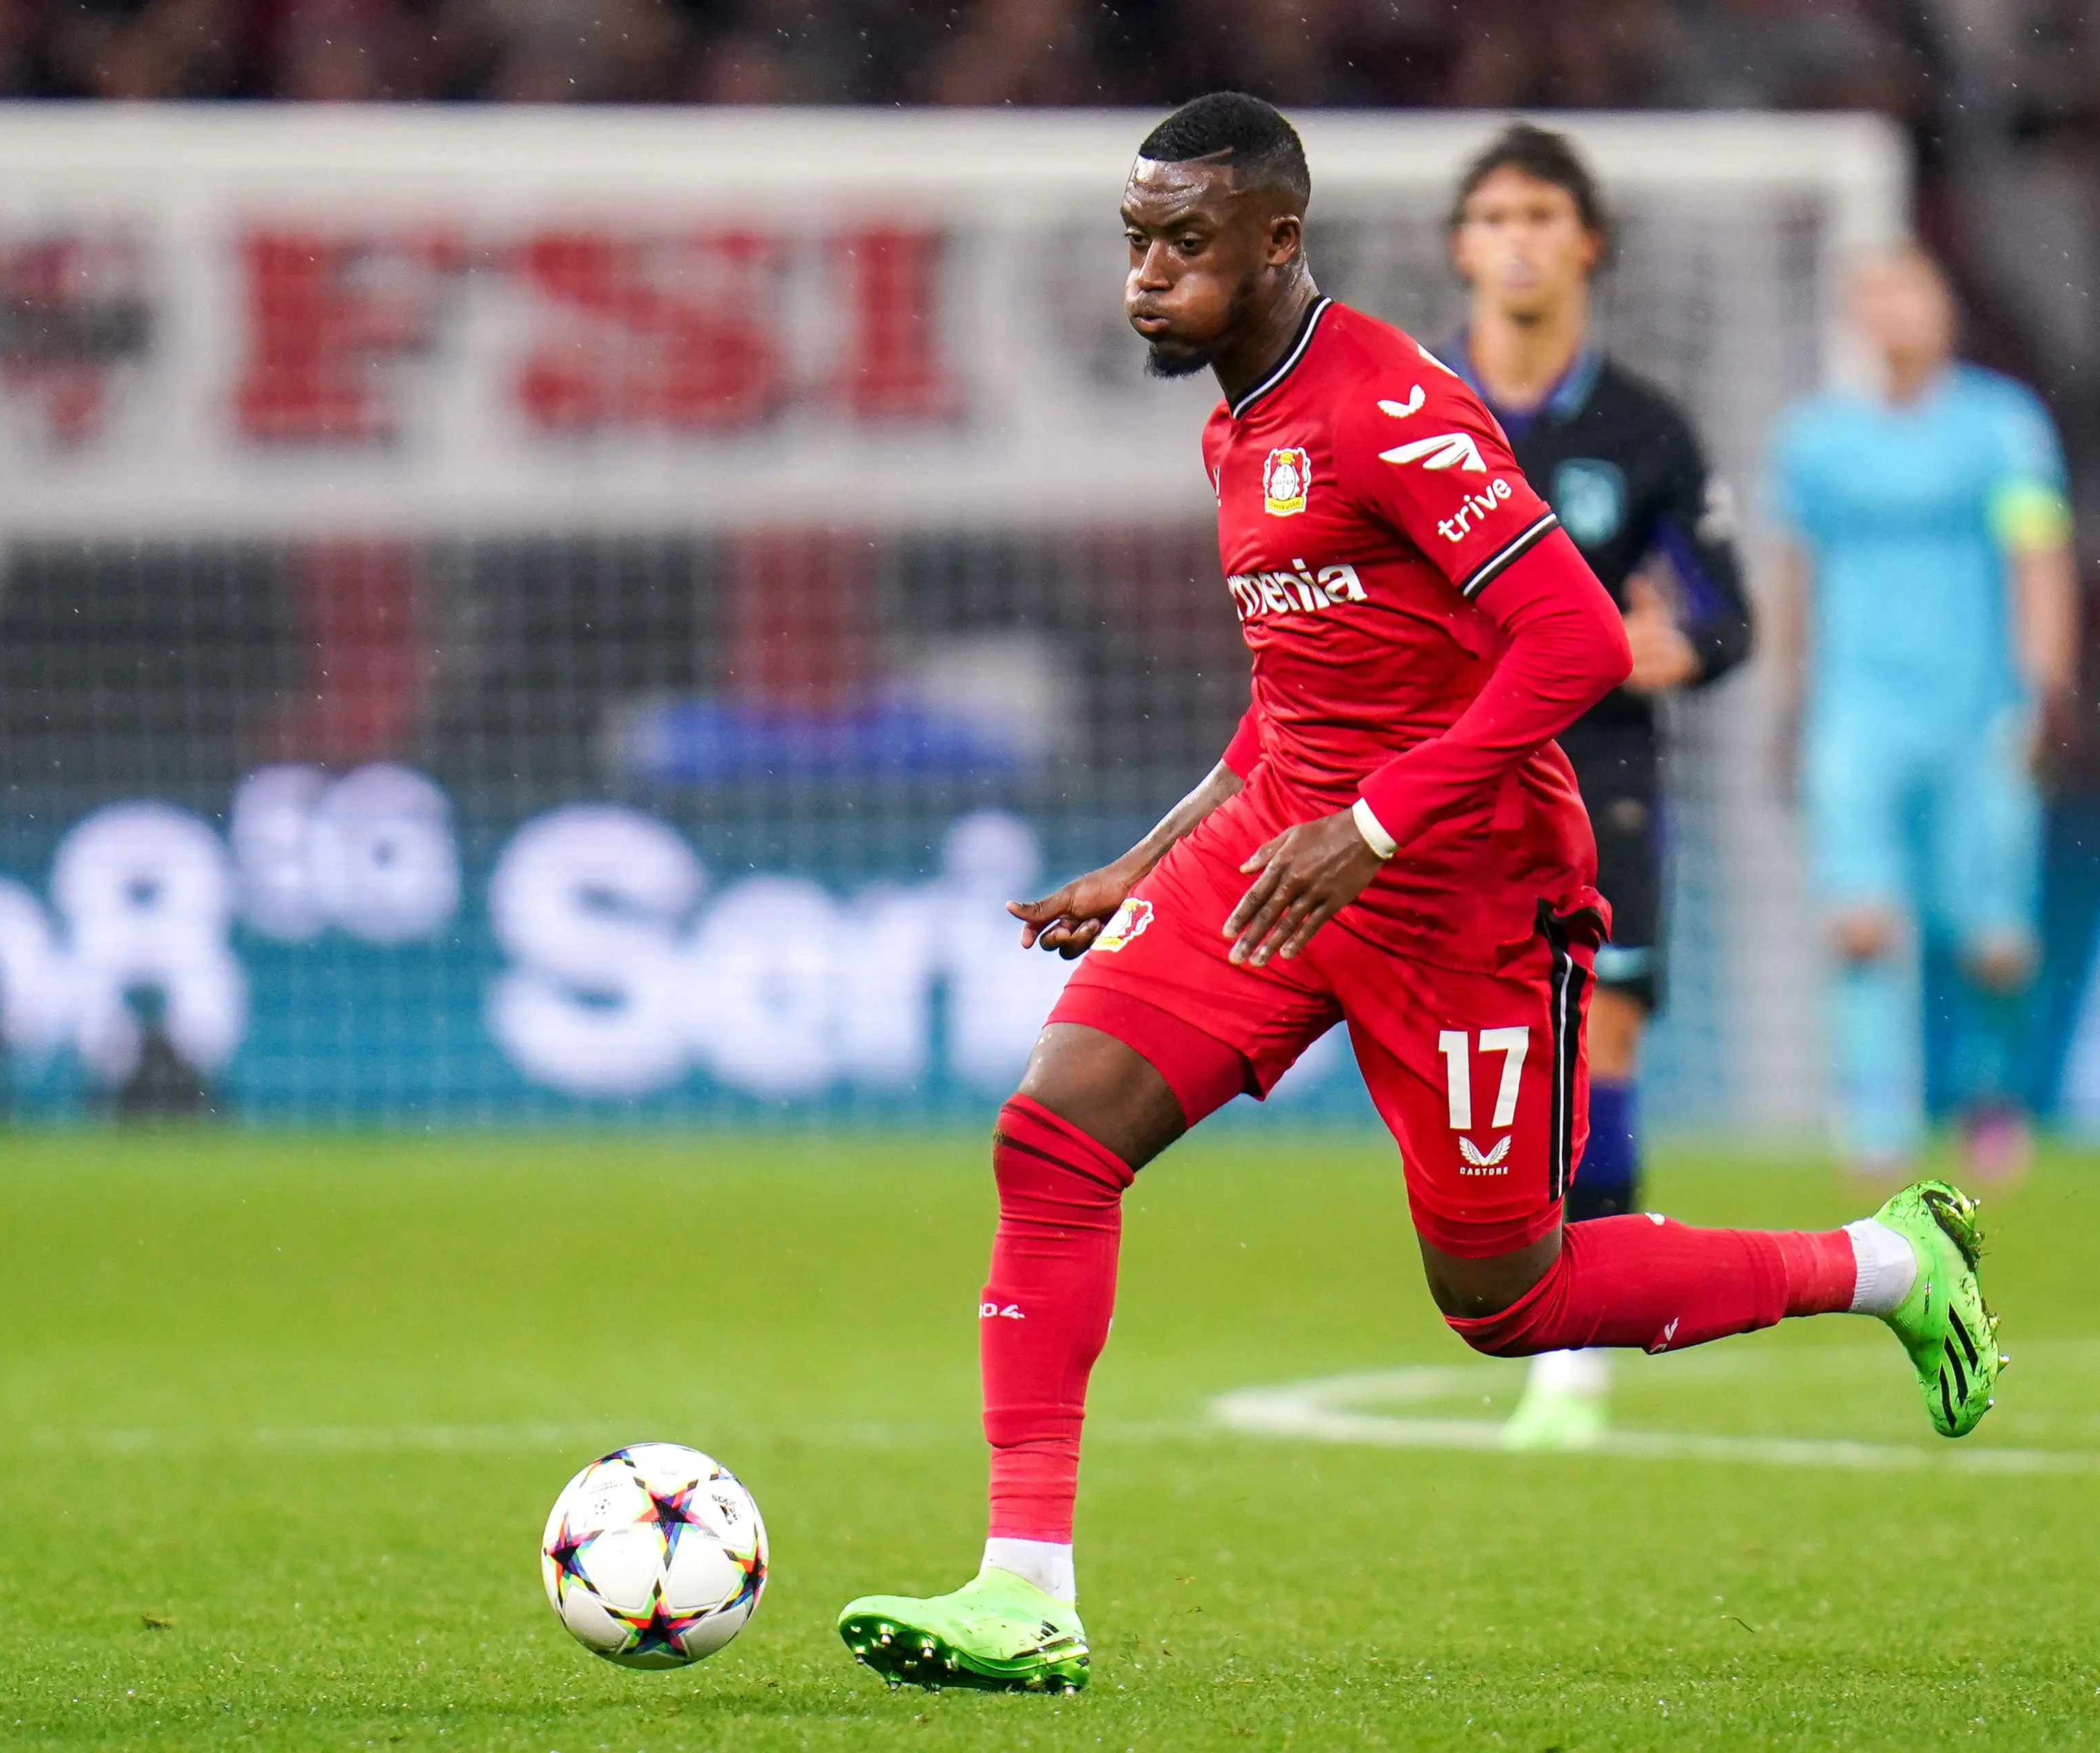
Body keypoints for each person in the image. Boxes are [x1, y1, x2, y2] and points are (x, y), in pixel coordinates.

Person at [835, 94, 2004, 1698]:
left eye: (1184, 242)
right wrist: (1148, 858)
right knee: (1055, 1133)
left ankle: (1883, 1261)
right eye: (1136, 241)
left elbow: (1578, 640)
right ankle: (1024, 1587)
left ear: (1278, 240)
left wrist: (1377, 825)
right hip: (1288, 853)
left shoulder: (1389, 405)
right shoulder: (1236, 427)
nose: (1147, 275)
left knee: (1508, 1296)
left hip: (1465, 888)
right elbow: (1295, 699)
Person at [1441, 123, 1755, 1451]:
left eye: (1540, 215)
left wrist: (1669, 647)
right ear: (1461, 248)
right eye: (1495, 217)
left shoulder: (1645, 427)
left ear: (1587, 245)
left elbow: (1728, 617)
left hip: (1604, 768)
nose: (1517, 239)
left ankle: (1575, 1349)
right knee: (1489, 1062)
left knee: (1600, 1033)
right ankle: (1541, 1282)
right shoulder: (1413, 413)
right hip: (1452, 772)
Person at [1769, 248, 2078, 1183]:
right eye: (1876, 298)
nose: (1894, 314)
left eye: (1910, 294)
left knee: (1995, 944)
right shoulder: (1816, 441)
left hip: (1979, 706)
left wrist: (2047, 686)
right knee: (1861, 924)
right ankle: (1876, 1119)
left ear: (1945, 310)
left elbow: (2039, 556)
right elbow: (1795, 574)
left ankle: (1991, 1094)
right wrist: (1790, 700)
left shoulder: (2002, 427)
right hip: (1857, 707)